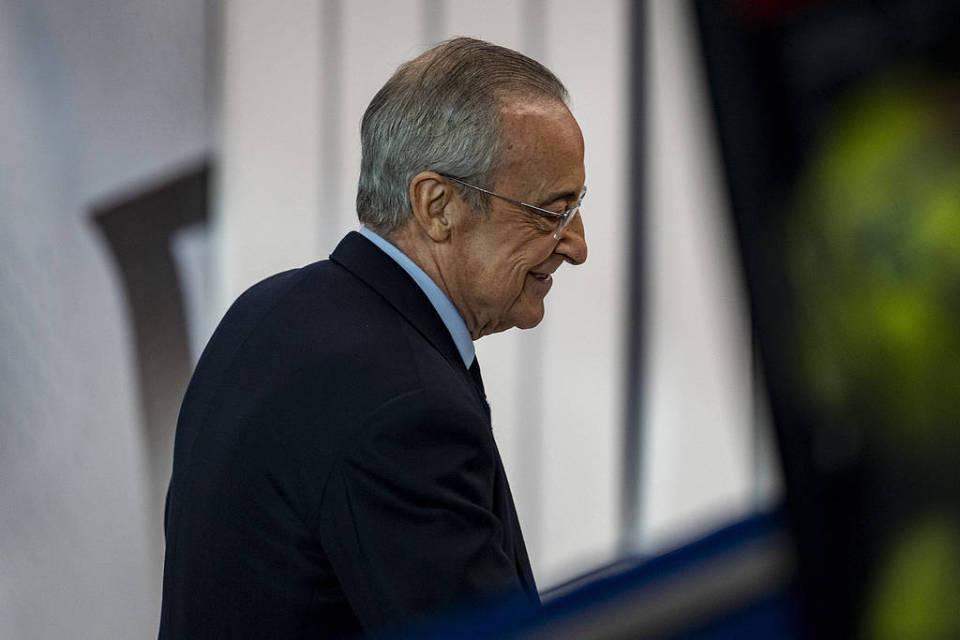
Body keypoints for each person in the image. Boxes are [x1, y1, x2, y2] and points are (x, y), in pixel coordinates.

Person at [158, 37, 588, 638]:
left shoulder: (268, 310)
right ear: (437, 205)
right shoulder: (406, 407)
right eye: (550, 212)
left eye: (577, 205)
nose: (578, 245)